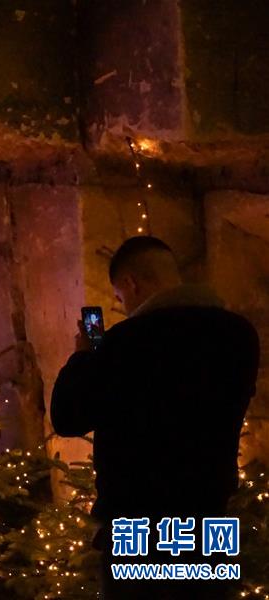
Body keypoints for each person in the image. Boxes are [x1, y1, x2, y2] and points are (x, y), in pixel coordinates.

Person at [51, 236, 260, 600]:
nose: (124, 305)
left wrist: (85, 356)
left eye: (120, 296)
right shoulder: (240, 335)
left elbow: (68, 416)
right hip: (209, 522)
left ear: (131, 283)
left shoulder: (124, 343)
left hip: (138, 529)